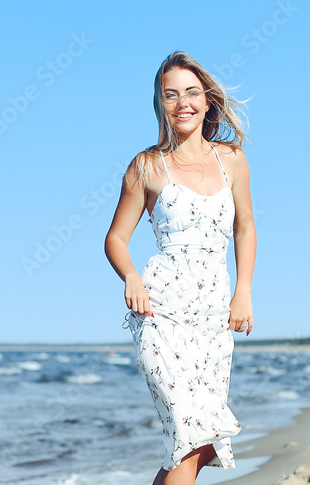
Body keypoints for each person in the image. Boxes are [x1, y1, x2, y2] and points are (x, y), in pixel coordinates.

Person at [104, 51, 256, 485]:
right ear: (160, 103)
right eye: (170, 95)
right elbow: (115, 238)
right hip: (161, 312)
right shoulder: (146, 166)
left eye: (191, 93)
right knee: (189, 438)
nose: (182, 103)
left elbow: (245, 228)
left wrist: (242, 291)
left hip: (212, 317)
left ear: (207, 100)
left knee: (199, 445)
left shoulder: (232, 160)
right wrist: (131, 276)